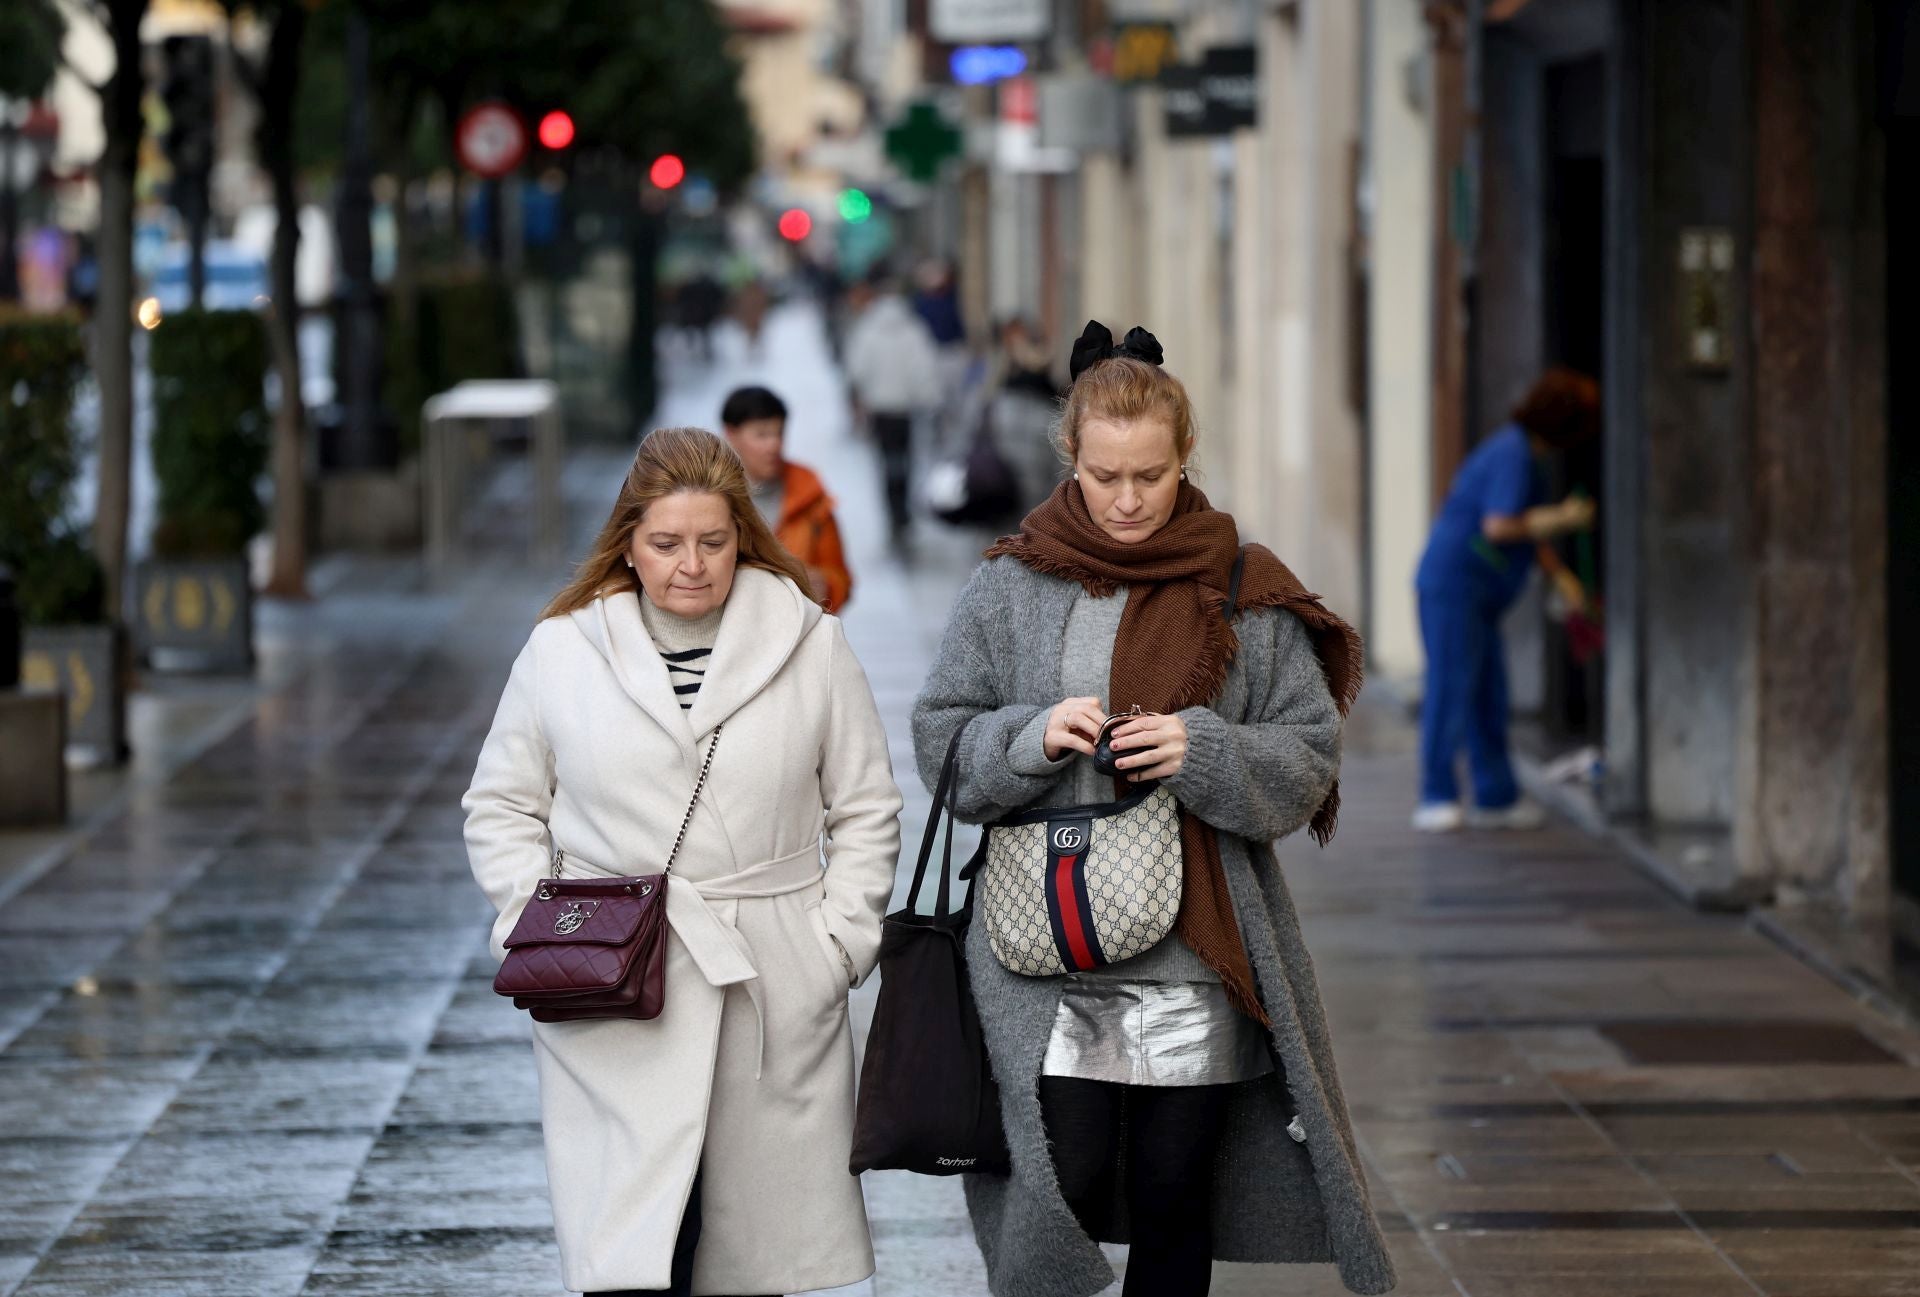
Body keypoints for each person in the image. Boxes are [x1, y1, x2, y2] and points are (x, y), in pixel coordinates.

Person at [911, 321, 1397, 1297]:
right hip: (1041, 945)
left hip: (1194, 953)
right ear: (1070, 461)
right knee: (1068, 1184)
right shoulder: (1010, 584)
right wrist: (1028, 737)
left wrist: (1201, 748)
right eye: (1105, 476)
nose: (1128, 499)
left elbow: (1308, 757)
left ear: (1186, 458)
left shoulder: (1242, 591)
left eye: (1150, 475)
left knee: (1178, 1199)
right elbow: (942, 747)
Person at [462, 427, 903, 1297]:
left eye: (713, 540)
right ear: (628, 540)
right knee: (633, 1264)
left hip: (769, 983)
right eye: (666, 543)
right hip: (613, 988)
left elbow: (866, 807)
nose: (690, 564)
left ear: (744, 535)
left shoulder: (810, 644)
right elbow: (501, 803)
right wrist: (530, 924)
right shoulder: (563, 650)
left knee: (748, 1266)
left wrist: (837, 948)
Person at [1412, 368, 1600, 833]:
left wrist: (1561, 577)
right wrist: (1557, 519)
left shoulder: (1522, 453)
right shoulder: (1515, 453)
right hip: (1455, 587)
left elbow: (1521, 530)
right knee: (1452, 688)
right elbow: (1500, 525)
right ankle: (1435, 795)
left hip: (1475, 593)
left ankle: (1496, 795)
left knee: (1487, 693)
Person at [720, 384, 853, 612]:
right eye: (761, 435)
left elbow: (841, 579)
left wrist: (825, 588)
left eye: (779, 433)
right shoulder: (711, 496)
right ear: (731, 434)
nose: (774, 445)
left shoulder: (810, 495)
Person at [843, 270, 944, 547]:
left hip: (880, 410)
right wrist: (928, 399)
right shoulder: (913, 331)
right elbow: (924, 369)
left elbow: (857, 368)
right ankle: (903, 510)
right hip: (904, 410)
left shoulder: (867, 330)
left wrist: (863, 392)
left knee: (886, 460)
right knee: (906, 459)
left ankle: (892, 509)